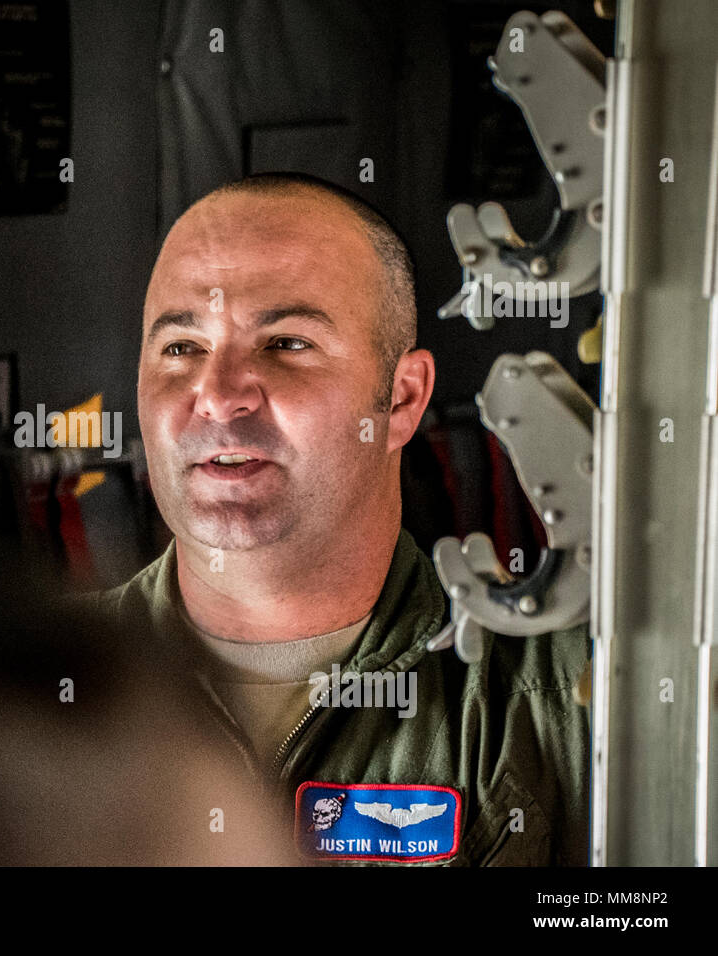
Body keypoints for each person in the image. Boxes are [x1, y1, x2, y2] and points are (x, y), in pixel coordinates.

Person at [81, 171, 591, 866]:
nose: (218, 395)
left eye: (286, 344)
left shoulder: (567, 697)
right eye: (181, 348)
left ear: (402, 401)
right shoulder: (25, 697)